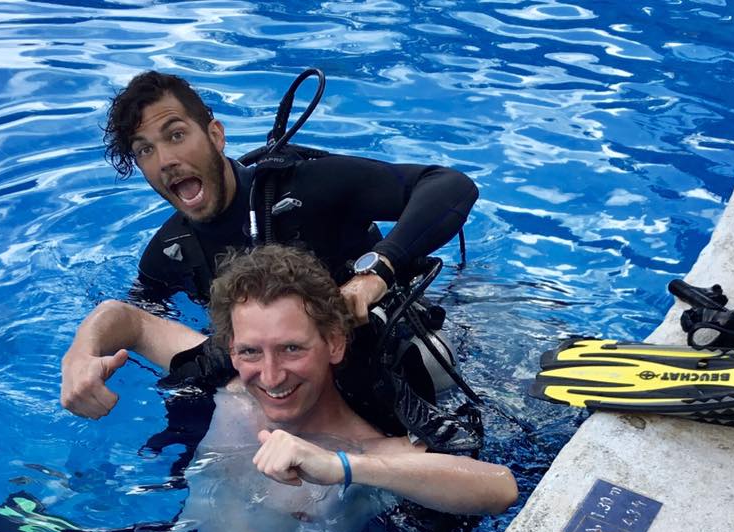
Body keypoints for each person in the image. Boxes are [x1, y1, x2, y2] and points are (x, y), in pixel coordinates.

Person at [0, 246, 516, 532]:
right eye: (251, 351)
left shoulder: (369, 449)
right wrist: (79, 356)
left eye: (292, 349)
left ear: (334, 343)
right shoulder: (231, 387)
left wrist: (342, 468)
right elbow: (124, 317)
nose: (272, 376)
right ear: (230, 347)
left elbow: (497, 489)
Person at [61, 70, 480, 426]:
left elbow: (449, 186)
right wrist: (83, 353)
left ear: (215, 134)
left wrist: (375, 274)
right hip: (285, 380)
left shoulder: (308, 188)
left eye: (175, 135)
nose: (165, 159)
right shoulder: (169, 253)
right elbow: (133, 319)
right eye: (145, 150)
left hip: (395, 354)